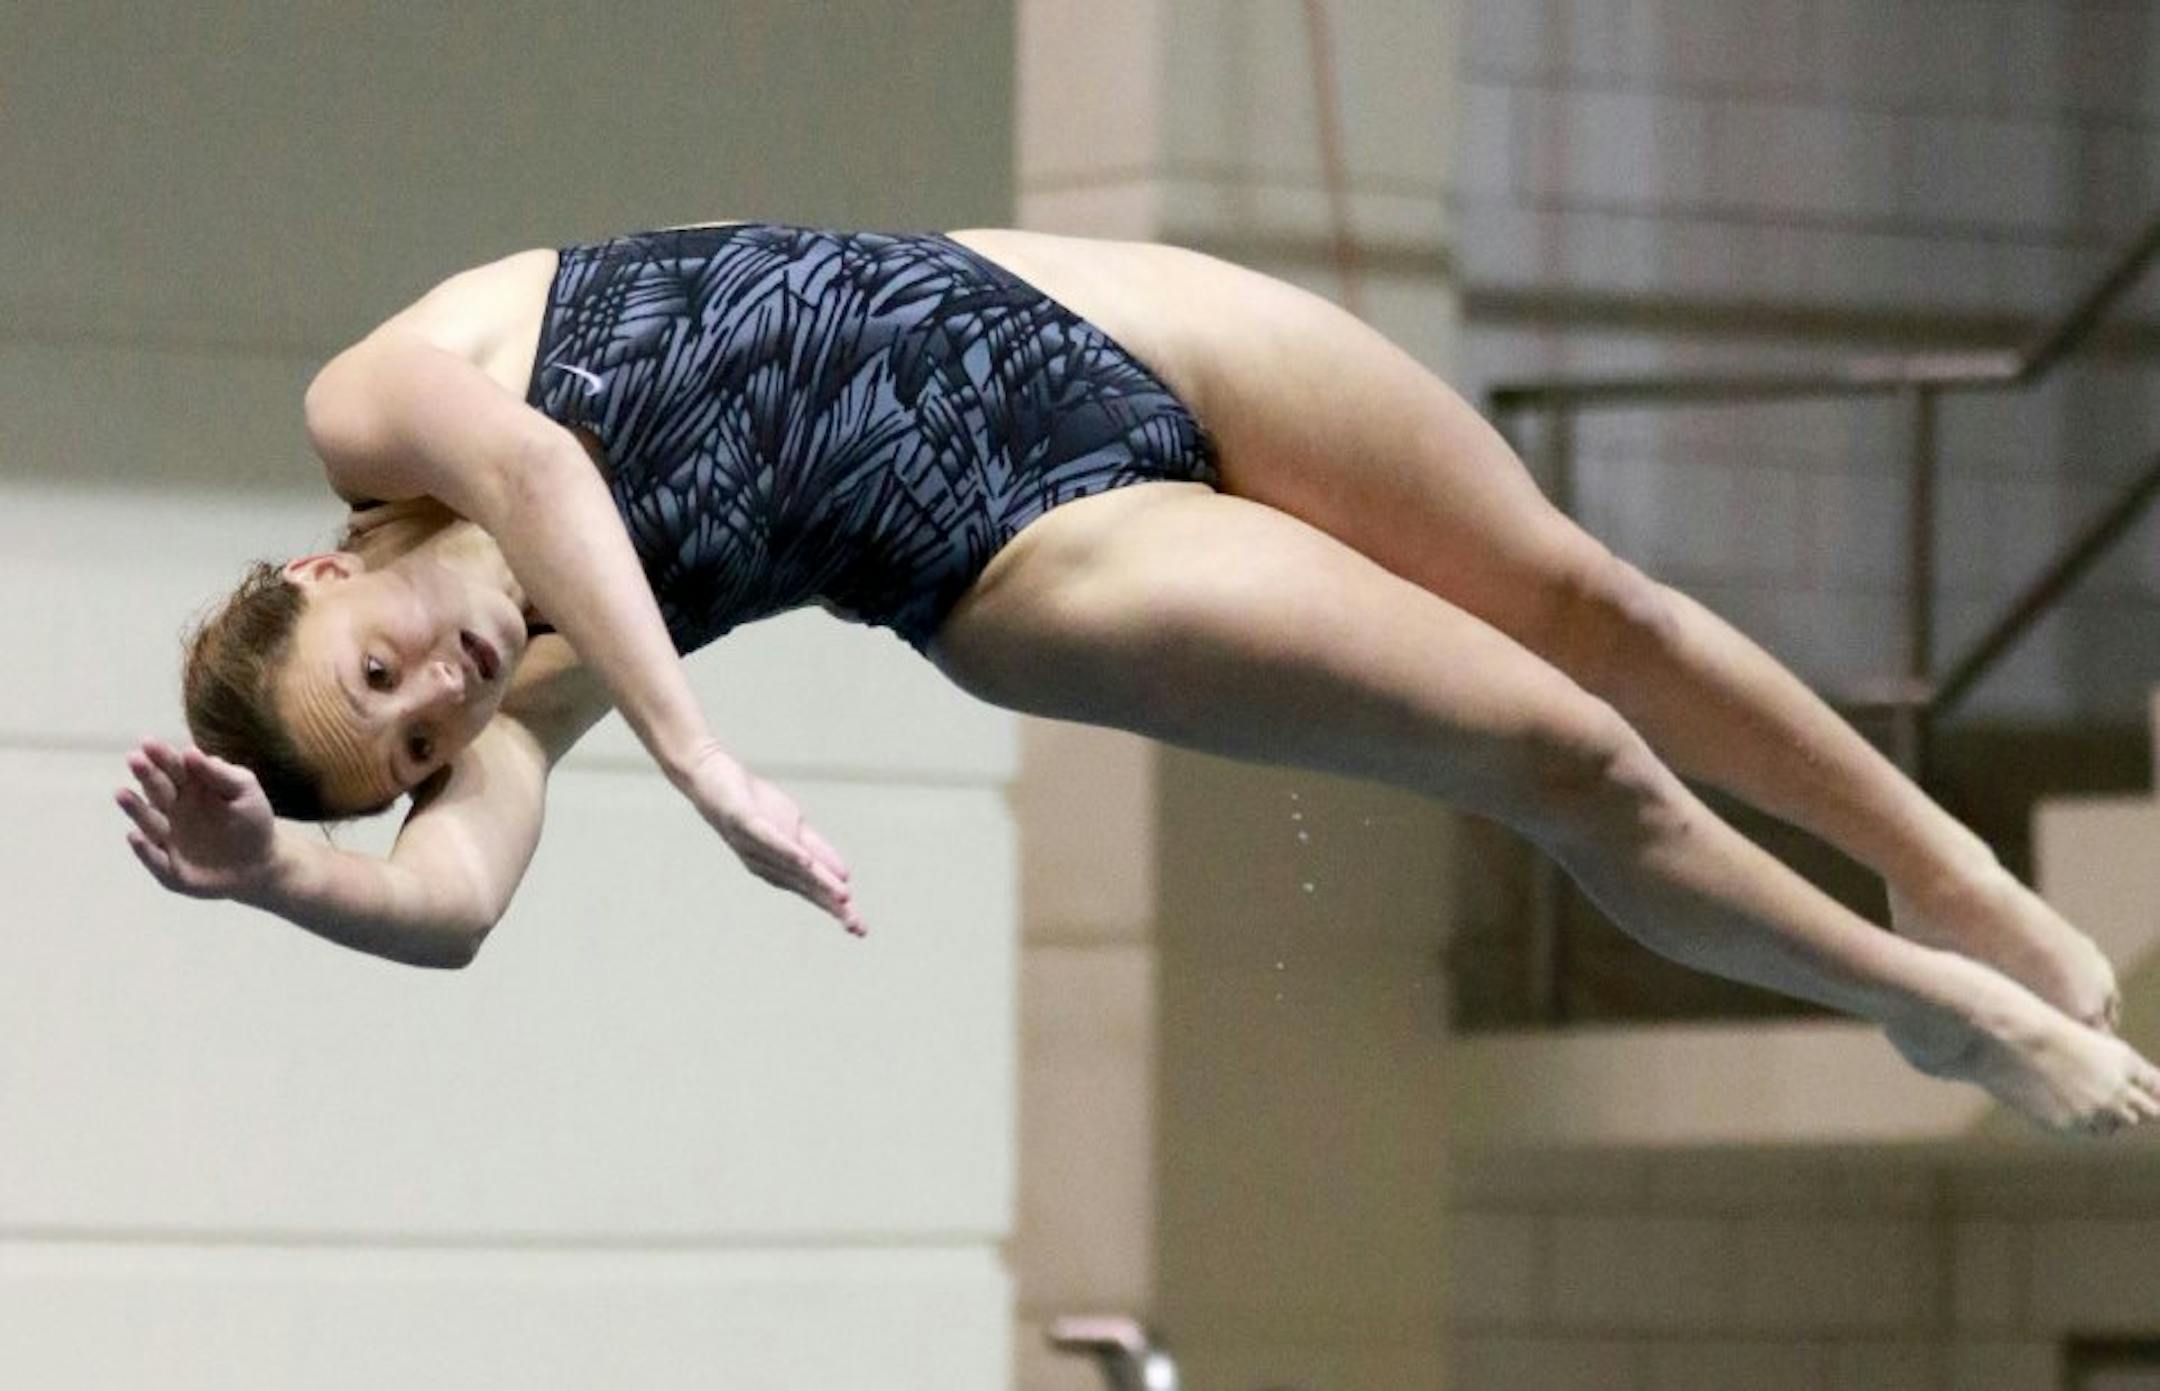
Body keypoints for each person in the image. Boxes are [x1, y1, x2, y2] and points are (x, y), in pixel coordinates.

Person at [114, 220, 2158, 1137]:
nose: (445, 698)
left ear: (317, 569)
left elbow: (547, 467)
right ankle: (1936, 1012)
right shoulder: (546, 689)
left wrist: (701, 754)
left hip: (1049, 305)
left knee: (1577, 587)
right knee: (1569, 749)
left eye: (385, 667)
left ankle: (1937, 870)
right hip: (1021, 558)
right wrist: (290, 876)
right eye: (418, 739)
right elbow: (456, 907)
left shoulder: (380, 404)